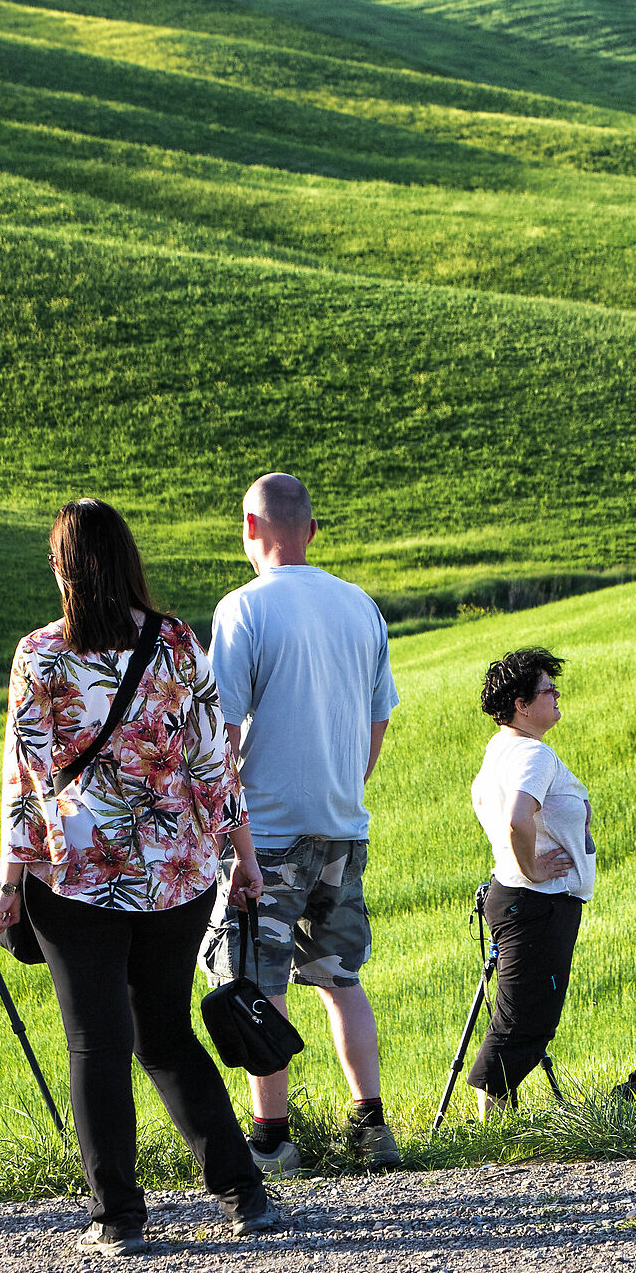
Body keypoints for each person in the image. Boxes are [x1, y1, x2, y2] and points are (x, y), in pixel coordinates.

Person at [0, 498, 281, 1255]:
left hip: (77, 874)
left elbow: (25, 780)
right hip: (179, 871)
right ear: (128, 562)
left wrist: (9, 883)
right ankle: (244, 1194)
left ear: (61, 569)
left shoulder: (41, 655)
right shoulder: (177, 640)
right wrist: (241, 855)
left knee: (96, 1041)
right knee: (165, 1032)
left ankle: (118, 1217)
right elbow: (214, 763)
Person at [199, 472, 403, 1175]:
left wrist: (231, 838)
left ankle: (273, 1138)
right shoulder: (361, 607)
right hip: (344, 823)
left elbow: (219, 736)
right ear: (312, 530)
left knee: (261, 981)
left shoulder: (242, 610)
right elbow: (378, 720)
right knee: (340, 974)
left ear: (249, 530)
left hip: (271, 830)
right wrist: (346, 785)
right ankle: (371, 1126)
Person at [466, 647, 594, 1117]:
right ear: (521, 704)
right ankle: (492, 1127)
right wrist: (534, 869)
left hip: (522, 901)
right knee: (524, 1019)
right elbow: (519, 820)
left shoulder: (500, 749)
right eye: (547, 690)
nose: (557, 695)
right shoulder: (531, 755)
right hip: (535, 900)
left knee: (522, 1014)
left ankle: (497, 1121)